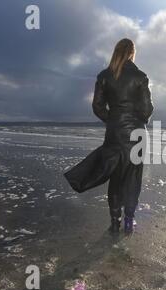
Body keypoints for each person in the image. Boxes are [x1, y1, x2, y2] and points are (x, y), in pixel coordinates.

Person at [64, 38, 154, 234]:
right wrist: (137, 119)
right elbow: (147, 109)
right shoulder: (140, 77)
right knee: (133, 178)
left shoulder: (104, 76)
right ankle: (129, 221)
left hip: (114, 134)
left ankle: (115, 222)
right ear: (132, 53)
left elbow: (97, 106)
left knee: (116, 177)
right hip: (137, 135)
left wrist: (113, 120)